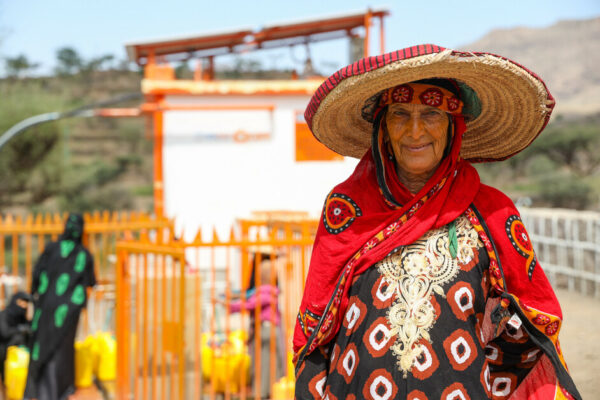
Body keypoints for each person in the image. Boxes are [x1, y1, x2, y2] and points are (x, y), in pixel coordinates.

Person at [293, 45, 581, 399]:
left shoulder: (491, 211)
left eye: (431, 114)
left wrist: (484, 377)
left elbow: (536, 316)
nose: (415, 131)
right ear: (383, 129)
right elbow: (317, 325)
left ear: (453, 127)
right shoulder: (346, 210)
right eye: (400, 114)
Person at [24, 213, 96, 400]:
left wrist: (34, 295)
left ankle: (40, 391)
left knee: (42, 343)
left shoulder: (51, 248)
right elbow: (90, 282)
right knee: (62, 348)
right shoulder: (84, 254)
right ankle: (61, 390)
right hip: (68, 310)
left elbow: (38, 272)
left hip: (47, 306)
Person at [229, 249, 285, 399]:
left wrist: (230, 307)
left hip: (264, 330)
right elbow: (248, 297)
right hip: (271, 330)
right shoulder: (272, 291)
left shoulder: (265, 292)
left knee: (261, 364)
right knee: (272, 363)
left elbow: (250, 304)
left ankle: (261, 392)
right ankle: (271, 391)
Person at [0, 292, 32, 382]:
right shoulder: (3, 315)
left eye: (25, 304)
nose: (23, 306)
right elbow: (4, 333)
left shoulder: (22, 317)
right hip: (3, 352)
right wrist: (19, 329)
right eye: (20, 303)